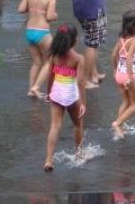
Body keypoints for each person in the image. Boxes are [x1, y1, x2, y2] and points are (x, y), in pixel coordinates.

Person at [43, 24, 87, 172]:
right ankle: (79, 153)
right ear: (73, 41)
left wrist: (48, 93)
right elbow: (80, 82)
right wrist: (83, 103)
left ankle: (49, 160)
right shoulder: (78, 58)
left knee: (55, 125)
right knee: (77, 124)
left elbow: (50, 76)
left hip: (56, 92)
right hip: (71, 95)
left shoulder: (54, 56)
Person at [17, 0, 58, 99]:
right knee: (50, 61)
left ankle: (30, 90)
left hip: (30, 32)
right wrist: (55, 15)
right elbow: (50, 17)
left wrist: (33, 9)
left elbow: (21, 9)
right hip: (43, 33)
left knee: (36, 62)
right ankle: (37, 87)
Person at [111, 9, 135, 138]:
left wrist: (115, 70)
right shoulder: (134, 42)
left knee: (126, 101)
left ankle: (119, 129)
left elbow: (113, 55)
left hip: (119, 74)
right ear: (134, 25)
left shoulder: (122, 39)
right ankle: (118, 123)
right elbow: (130, 59)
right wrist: (130, 78)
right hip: (129, 76)